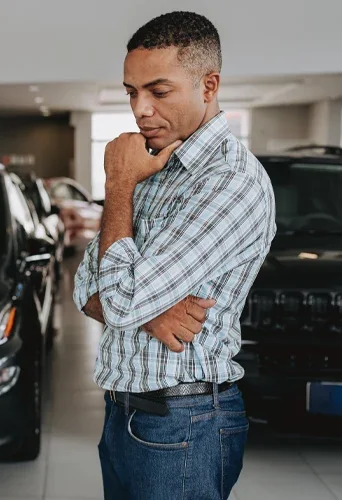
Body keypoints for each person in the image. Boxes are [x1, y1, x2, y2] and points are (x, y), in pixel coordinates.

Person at [73, 11, 276, 500]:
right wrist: (149, 313)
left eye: (158, 91)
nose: (140, 109)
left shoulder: (228, 181)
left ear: (209, 86)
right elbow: (84, 287)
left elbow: (116, 300)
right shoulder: (154, 166)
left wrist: (118, 183)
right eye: (131, 91)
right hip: (125, 413)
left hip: (182, 425)